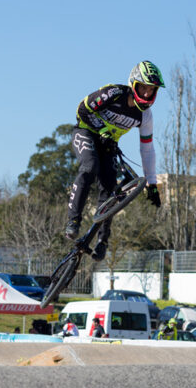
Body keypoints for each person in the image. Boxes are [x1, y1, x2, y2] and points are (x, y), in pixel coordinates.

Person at [65, 61, 165, 261]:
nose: (146, 94)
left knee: (110, 188)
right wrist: (101, 128)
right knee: (90, 166)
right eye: (143, 87)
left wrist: (152, 184)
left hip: (108, 144)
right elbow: (81, 110)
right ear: (134, 84)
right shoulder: (114, 93)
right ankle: (73, 220)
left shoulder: (145, 116)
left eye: (151, 90)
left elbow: (147, 149)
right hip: (86, 132)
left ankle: (102, 241)